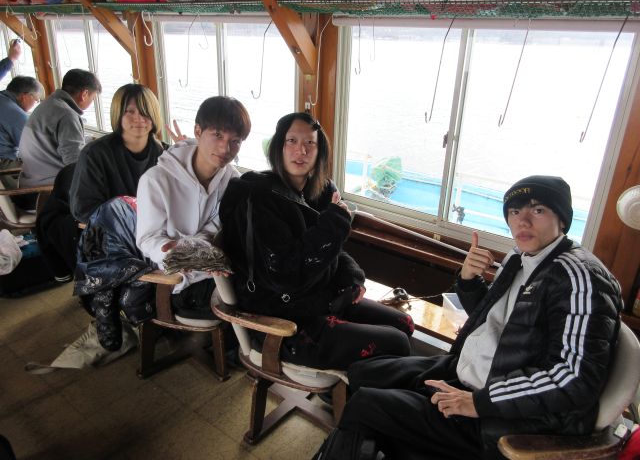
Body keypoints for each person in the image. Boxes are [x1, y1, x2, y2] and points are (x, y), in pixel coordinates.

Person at [315, 175, 623, 460]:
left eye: (538, 210)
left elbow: (573, 379)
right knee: (363, 374)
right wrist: (468, 279)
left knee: (367, 405)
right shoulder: (520, 257)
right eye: (514, 212)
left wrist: (478, 402)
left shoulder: (580, 278)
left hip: (510, 419)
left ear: (562, 219)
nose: (523, 221)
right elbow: (494, 319)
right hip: (469, 373)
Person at [219, 112, 413, 371]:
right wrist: (334, 224)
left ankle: (358, 385)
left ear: (320, 151)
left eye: (310, 143)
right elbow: (285, 274)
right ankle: (362, 392)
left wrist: (352, 277)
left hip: (320, 299)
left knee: (404, 324)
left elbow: (332, 252)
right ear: (279, 147)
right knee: (396, 343)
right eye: (292, 141)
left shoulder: (320, 192)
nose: (301, 151)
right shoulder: (257, 196)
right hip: (282, 321)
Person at [136, 96, 251, 327]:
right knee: (249, 299)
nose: (225, 148)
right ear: (198, 131)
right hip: (179, 282)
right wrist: (179, 253)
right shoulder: (156, 180)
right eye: (217, 135)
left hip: (216, 269)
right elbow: (148, 239)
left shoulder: (232, 180)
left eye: (235, 141)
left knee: (262, 287)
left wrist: (201, 250)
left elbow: (217, 228)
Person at [70, 83, 165, 224]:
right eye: (130, 111)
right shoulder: (95, 154)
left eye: (145, 111)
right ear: (118, 114)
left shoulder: (166, 155)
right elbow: (84, 209)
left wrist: (190, 151)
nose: (139, 118)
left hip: (156, 228)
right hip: (113, 229)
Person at [19, 68, 101, 188]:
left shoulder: (49, 104)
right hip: (47, 190)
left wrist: (89, 141)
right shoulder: (67, 115)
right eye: (92, 98)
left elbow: (59, 141)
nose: (91, 102)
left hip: (31, 180)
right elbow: (74, 163)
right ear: (84, 94)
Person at [0, 75, 43, 171]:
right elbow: (33, 149)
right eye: (36, 100)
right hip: (3, 165)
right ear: (25, 96)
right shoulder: (15, 113)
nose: (34, 104)